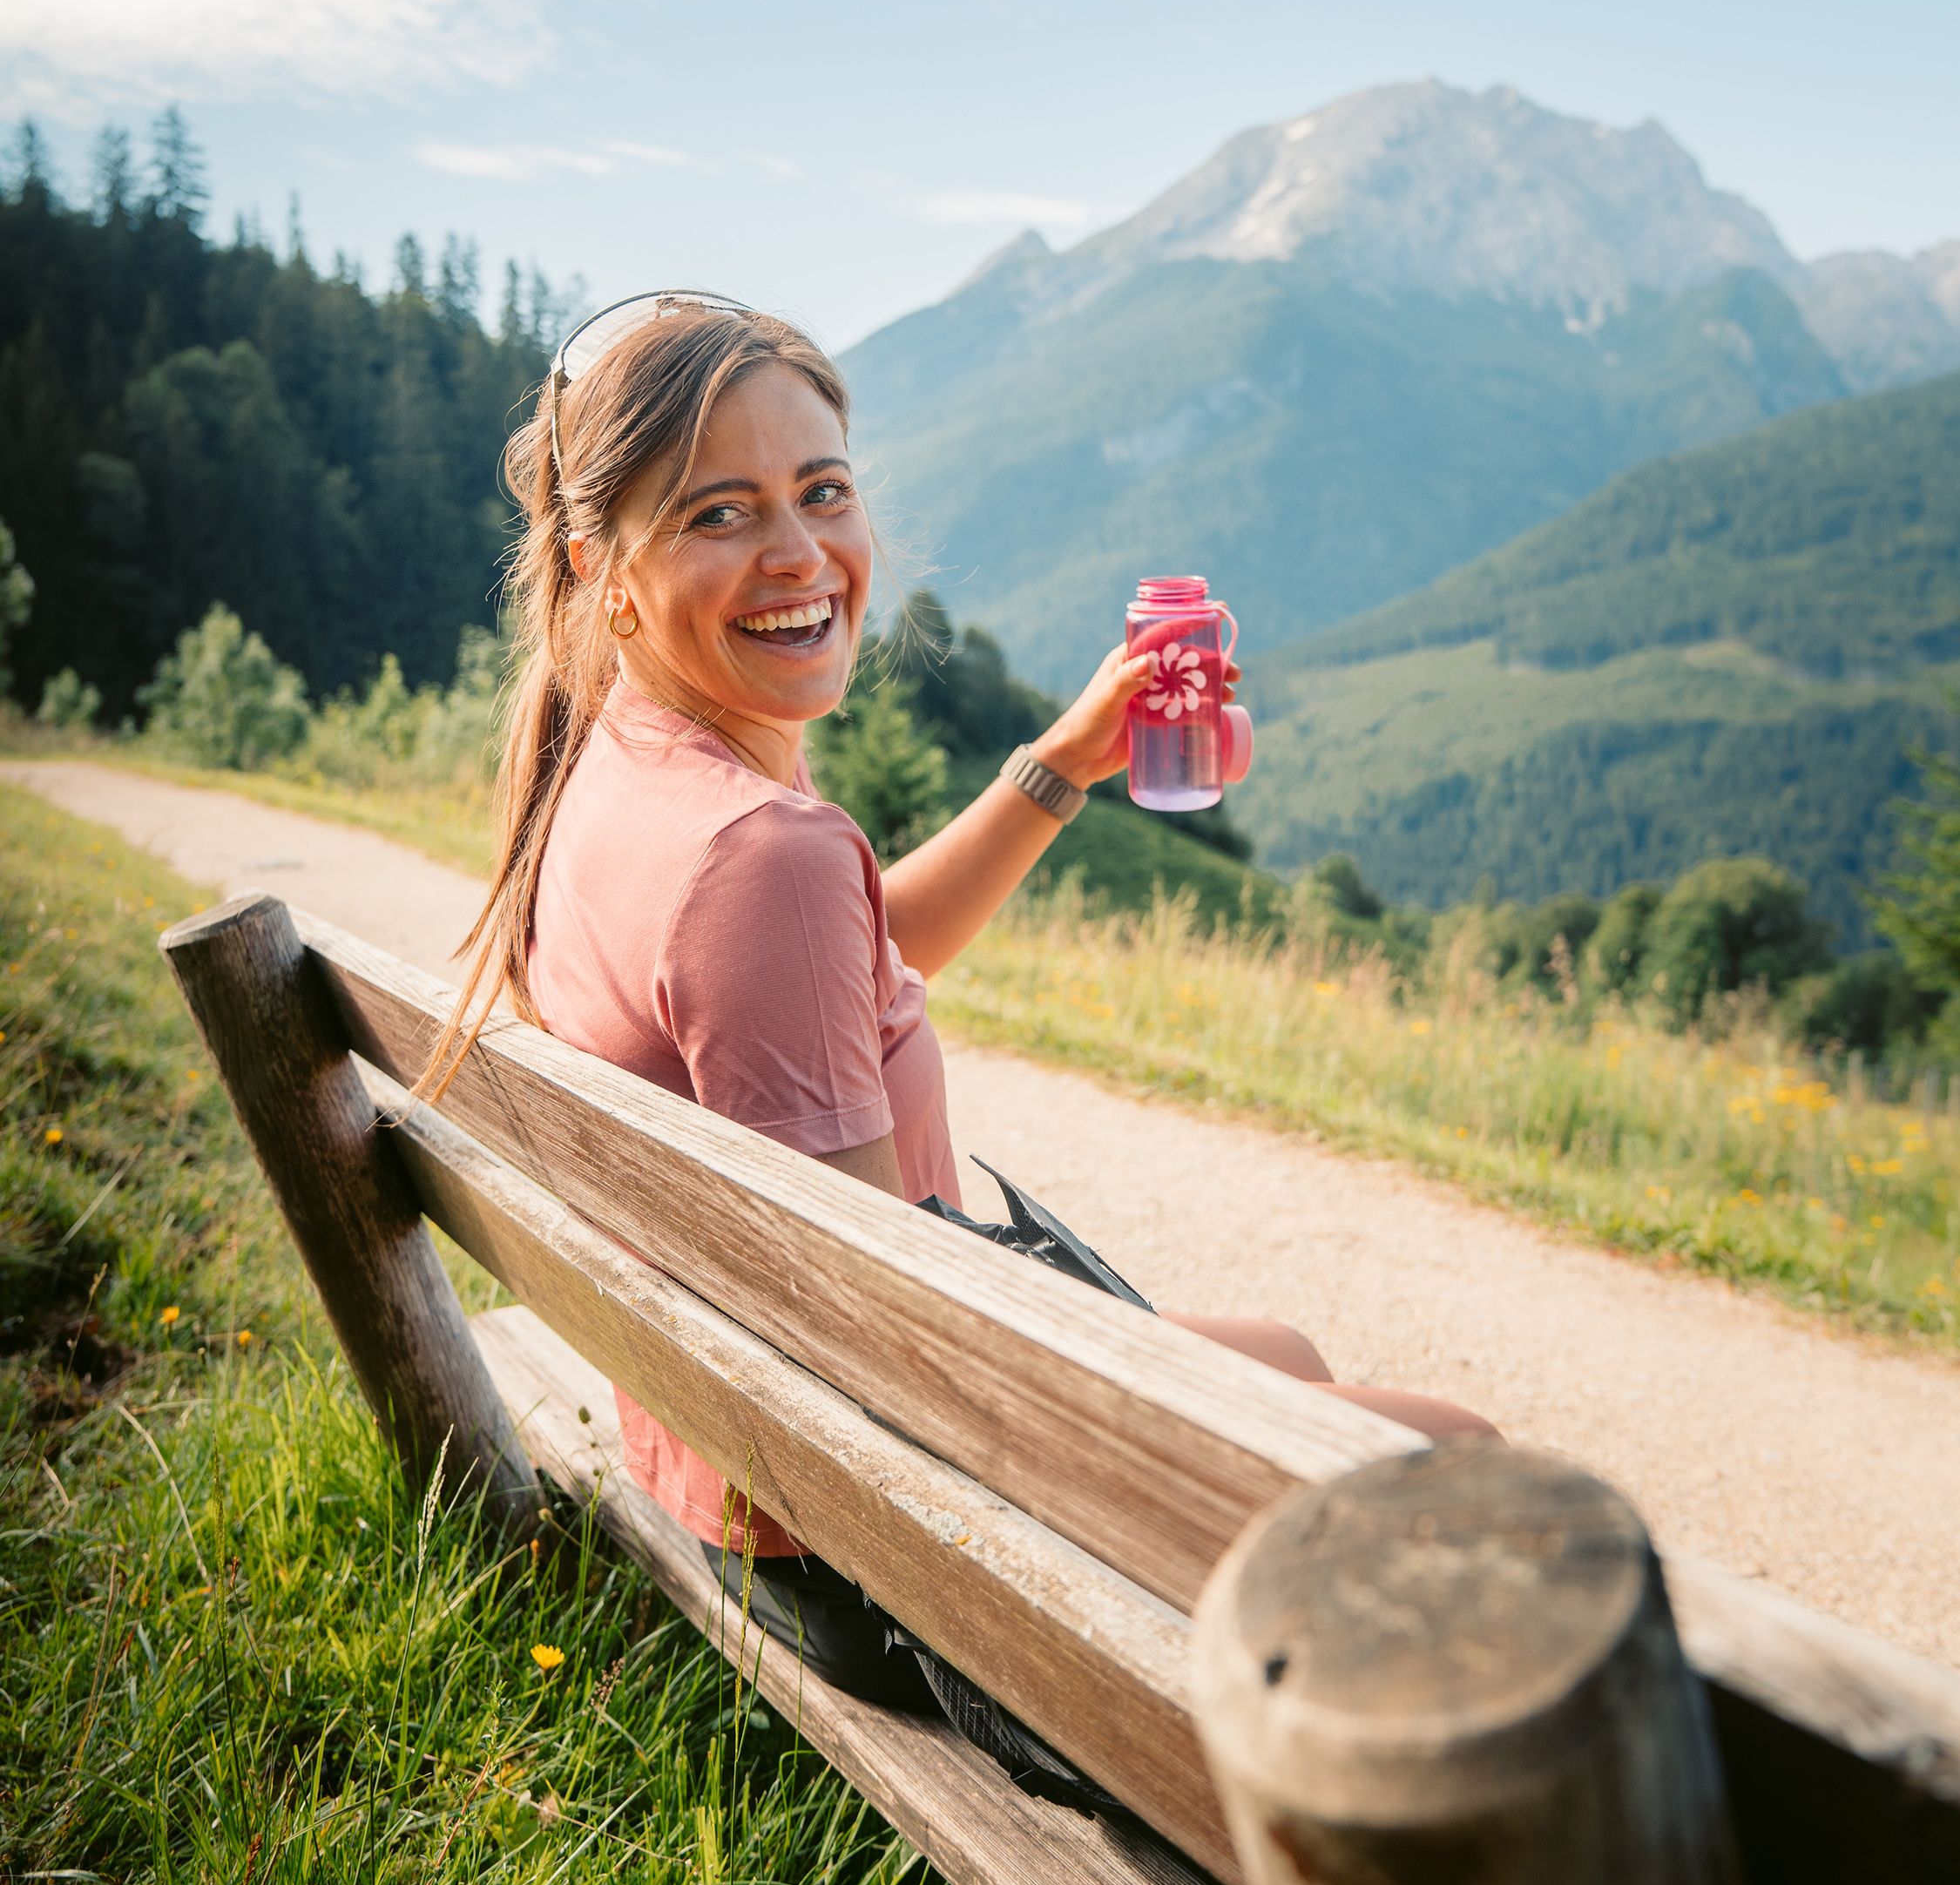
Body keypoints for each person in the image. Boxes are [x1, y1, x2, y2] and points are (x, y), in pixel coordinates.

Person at [429, 291, 1494, 1704]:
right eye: (718, 514)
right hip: (869, 1553)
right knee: (1466, 1469)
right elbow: (879, 1349)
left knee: (1286, 1356)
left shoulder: (623, 759)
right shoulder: (760, 853)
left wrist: (1061, 759)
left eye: (821, 492)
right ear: (601, 568)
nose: (800, 553)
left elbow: (855, 967)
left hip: (716, 1465)